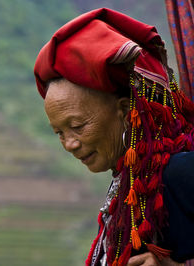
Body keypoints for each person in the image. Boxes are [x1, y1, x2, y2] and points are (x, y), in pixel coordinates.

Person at [33, 8, 194, 266]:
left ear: (124, 110)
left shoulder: (179, 174)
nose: (70, 144)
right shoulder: (129, 188)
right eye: (59, 133)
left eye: (78, 125)